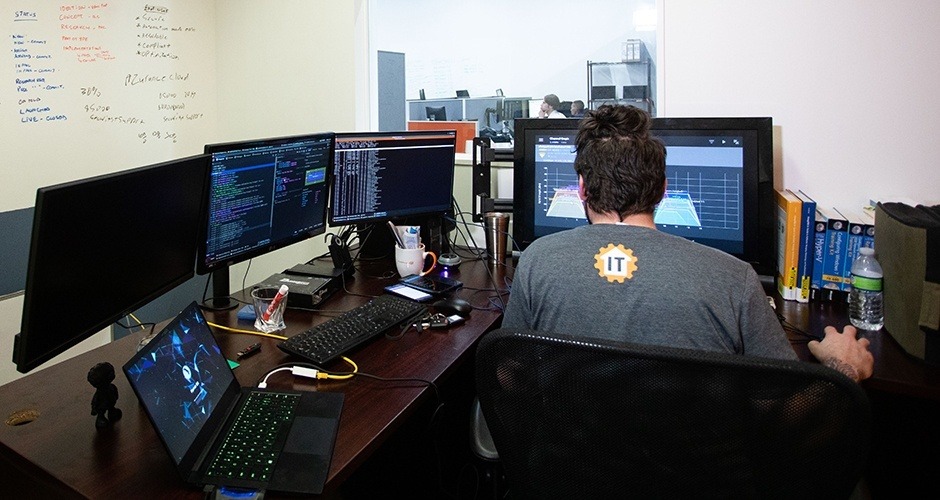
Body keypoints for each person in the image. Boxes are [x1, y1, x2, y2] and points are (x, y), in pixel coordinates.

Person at [502, 104, 873, 382]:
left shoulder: (536, 262)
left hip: (568, 475)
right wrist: (845, 369)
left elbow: (509, 375)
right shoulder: (734, 279)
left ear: (581, 188)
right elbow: (791, 408)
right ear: (663, 190)